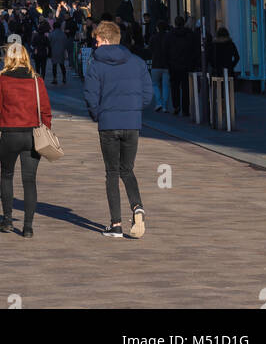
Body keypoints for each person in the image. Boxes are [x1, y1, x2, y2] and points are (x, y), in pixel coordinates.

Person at [84, 19, 153, 239]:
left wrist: (97, 114)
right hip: (131, 124)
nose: (94, 45)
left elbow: (90, 95)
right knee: (127, 169)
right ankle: (137, 206)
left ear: (104, 40)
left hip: (108, 124)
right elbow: (148, 95)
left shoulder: (96, 64)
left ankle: (116, 224)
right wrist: (134, 109)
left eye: (96, 40)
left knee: (112, 173)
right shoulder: (137, 62)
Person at [0, 39, 53, 236]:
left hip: (10, 134)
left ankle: (7, 220)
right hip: (32, 135)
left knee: (7, 176)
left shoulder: (2, 80)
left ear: (8, 59)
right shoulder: (37, 80)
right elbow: (46, 111)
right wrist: (46, 131)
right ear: (26, 58)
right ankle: (28, 227)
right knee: (29, 181)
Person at [164, 15, 197, 115]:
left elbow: (165, 50)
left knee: (175, 87)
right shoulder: (190, 34)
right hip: (187, 65)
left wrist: (168, 63)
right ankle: (186, 109)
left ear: (175, 23)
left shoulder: (170, 35)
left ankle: (176, 106)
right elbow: (194, 50)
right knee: (186, 87)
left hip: (173, 65)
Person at [147, 19, 170, 111]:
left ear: (157, 28)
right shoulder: (168, 37)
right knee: (166, 85)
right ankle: (164, 106)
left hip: (156, 64)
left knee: (155, 84)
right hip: (166, 64)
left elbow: (150, 49)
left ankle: (158, 102)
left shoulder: (153, 38)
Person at [49, 20, 71, 85]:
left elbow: (49, 42)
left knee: (54, 65)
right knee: (62, 65)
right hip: (61, 51)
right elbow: (66, 43)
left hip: (54, 51)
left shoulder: (52, 34)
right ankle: (64, 77)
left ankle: (55, 78)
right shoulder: (63, 34)